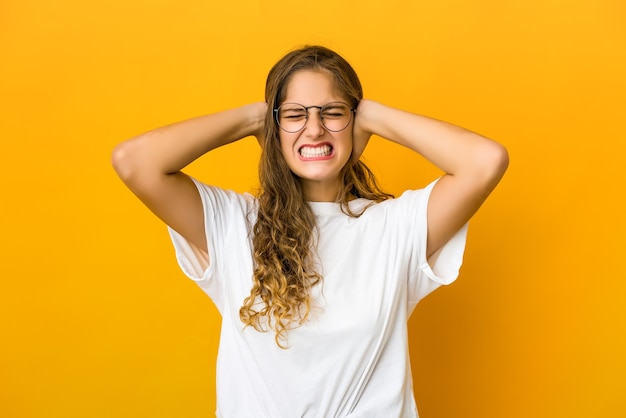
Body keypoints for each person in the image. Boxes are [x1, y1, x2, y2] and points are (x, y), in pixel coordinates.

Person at [112, 45, 508, 418]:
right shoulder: (233, 224)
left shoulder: (395, 227)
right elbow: (134, 161)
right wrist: (256, 117)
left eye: (332, 112)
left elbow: (485, 161)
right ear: (274, 125)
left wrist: (373, 116)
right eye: (295, 114)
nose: (315, 129)